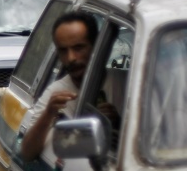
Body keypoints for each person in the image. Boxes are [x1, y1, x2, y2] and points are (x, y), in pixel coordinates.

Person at [20, 11, 117, 161]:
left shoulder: (127, 83)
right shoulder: (56, 94)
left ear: (96, 47)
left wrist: (118, 123)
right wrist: (48, 114)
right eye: (63, 51)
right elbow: (27, 153)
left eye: (78, 48)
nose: (71, 58)